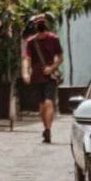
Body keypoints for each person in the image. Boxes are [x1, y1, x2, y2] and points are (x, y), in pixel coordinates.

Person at [23, 13, 63, 144]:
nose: (40, 24)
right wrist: (26, 73)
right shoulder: (31, 41)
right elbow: (27, 59)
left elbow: (60, 58)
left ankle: (48, 129)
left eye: (42, 22)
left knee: (49, 102)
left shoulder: (54, 39)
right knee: (41, 106)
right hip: (36, 76)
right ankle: (45, 128)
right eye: (38, 22)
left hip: (49, 76)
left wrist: (52, 68)